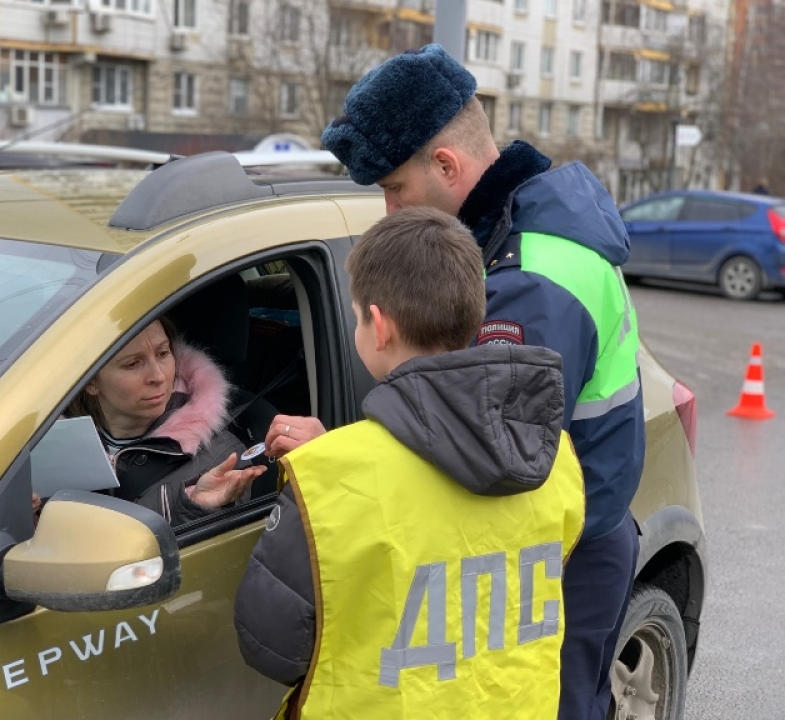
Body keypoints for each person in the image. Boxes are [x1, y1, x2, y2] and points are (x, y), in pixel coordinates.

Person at [268, 43, 645, 720]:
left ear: (445, 164)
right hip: (570, 533)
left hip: (560, 559)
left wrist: (337, 462)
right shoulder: (521, 236)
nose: (388, 213)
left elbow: (487, 458)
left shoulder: (526, 282)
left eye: (393, 189)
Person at [235, 207, 585, 720]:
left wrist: (333, 464)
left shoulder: (331, 478)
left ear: (378, 326)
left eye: (356, 317)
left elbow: (269, 645)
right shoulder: (558, 458)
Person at [58, 316, 265, 525]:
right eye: (132, 364)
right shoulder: (48, 441)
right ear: (90, 381)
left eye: (163, 353)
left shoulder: (219, 456)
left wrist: (197, 509)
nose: (158, 376)